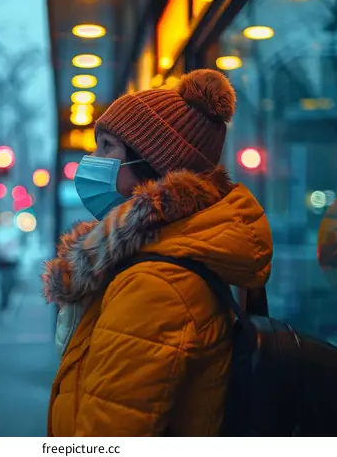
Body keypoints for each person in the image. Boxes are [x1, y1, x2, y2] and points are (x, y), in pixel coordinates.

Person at [42, 69, 273, 436]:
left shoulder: (156, 286)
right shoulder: (158, 262)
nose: (93, 158)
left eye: (107, 146)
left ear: (153, 167)